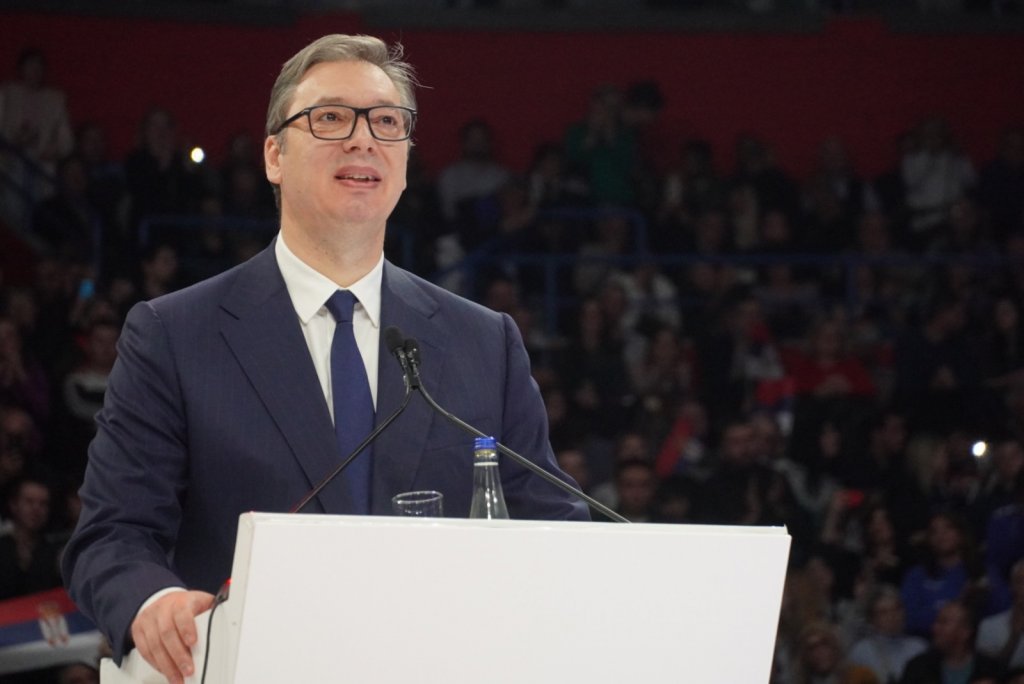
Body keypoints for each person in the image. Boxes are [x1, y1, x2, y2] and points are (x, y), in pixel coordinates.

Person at [62, 34, 588, 684]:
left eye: (387, 122)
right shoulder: (174, 335)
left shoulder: (485, 342)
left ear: (405, 160)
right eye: (332, 118)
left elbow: (555, 529)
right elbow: (113, 533)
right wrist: (156, 603)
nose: (363, 139)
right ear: (274, 156)